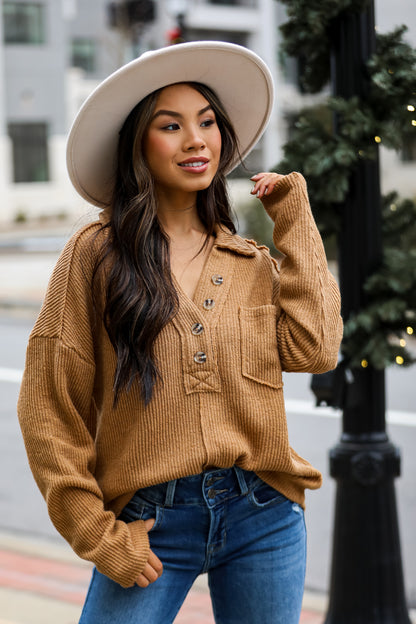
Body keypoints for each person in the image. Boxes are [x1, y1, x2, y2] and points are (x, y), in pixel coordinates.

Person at [17, 41, 343, 623]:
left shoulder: (250, 263)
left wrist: (294, 220)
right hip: (148, 525)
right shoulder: (96, 255)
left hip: (261, 514)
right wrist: (97, 533)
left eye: (208, 122)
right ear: (140, 143)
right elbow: (48, 408)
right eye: (171, 126)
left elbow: (317, 348)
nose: (197, 140)